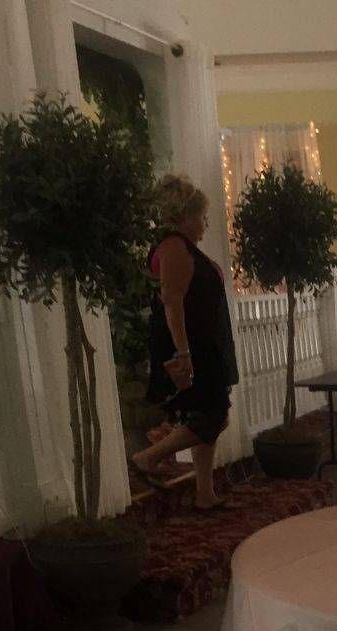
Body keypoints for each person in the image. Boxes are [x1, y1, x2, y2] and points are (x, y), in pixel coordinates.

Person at [129, 174, 239, 512]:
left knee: (207, 415)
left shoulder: (182, 246)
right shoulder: (174, 246)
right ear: (186, 216)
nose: (206, 224)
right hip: (194, 347)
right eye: (203, 217)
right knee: (212, 416)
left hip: (205, 345)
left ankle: (204, 493)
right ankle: (146, 458)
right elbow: (172, 302)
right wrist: (183, 352)